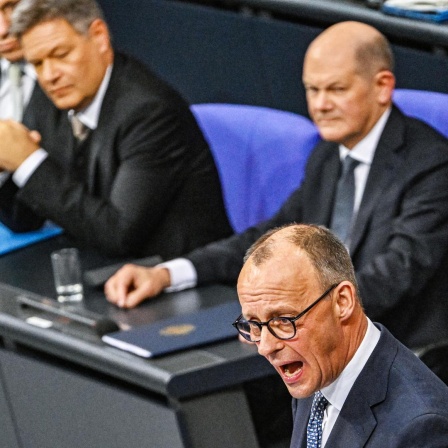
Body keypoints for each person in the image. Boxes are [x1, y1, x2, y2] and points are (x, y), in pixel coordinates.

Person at [105, 21, 448, 356]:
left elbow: (396, 273)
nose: (320, 105)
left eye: (336, 89)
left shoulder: (430, 162)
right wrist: (169, 273)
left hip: (400, 350)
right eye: (312, 90)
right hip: (321, 339)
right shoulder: (328, 154)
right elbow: (272, 236)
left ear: (383, 86)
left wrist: (292, 321)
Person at [0, 0, 232, 258]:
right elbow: (24, 219)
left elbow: (118, 234)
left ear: (99, 36)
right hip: (99, 271)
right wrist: (7, 164)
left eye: (61, 54)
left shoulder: (149, 112)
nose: (49, 75)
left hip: (177, 277)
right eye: (38, 63)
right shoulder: (49, 98)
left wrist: (28, 161)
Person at [235, 223, 448, 447]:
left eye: (283, 321)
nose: (265, 347)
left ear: (342, 302)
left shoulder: (421, 428)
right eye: (254, 324)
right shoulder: (316, 373)